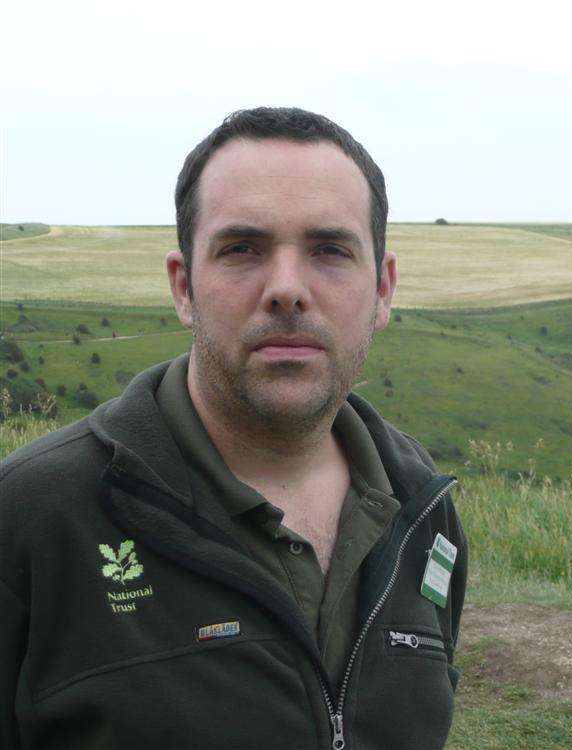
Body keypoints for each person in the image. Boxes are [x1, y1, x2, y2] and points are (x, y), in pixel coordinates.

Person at [0, 107, 467, 750]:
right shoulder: (31, 516)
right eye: (242, 248)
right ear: (184, 285)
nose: (287, 289)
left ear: (382, 289)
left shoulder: (422, 509)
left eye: (330, 250)